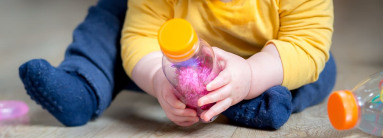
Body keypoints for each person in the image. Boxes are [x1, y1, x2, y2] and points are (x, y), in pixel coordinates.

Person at [19, 0, 336, 129]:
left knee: (316, 67)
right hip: (176, 64)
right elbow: (140, 36)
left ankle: (256, 101)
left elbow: (308, 42)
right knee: (111, 14)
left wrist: (252, 75)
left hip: (264, 61)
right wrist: (158, 77)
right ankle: (85, 83)